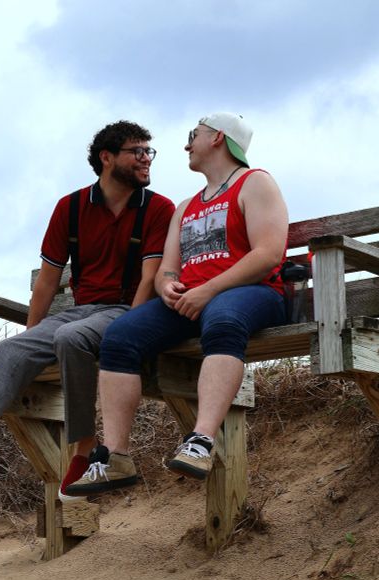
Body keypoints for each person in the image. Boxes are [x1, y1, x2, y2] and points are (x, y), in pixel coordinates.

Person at [0, 121, 175, 492]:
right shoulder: (72, 207)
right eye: (137, 151)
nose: (146, 159)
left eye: (148, 151)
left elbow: (148, 279)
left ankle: (84, 448)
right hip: (82, 310)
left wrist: (134, 326)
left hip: (127, 311)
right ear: (107, 158)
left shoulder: (158, 208)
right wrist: (33, 340)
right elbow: (47, 281)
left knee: (70, 337)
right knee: (13, 347)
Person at [65, 112, 288, 495]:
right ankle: (116, 455)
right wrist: (168, 287)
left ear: (218, 138)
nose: (186, 144)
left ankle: (201, 440)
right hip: (191, 300)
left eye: (193, 135)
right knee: (119, 337)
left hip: (253, 293)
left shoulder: (256, 184)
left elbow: (268, 254)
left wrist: (209, 289)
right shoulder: (186, 206)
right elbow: (168, 267)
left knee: (223, 319)